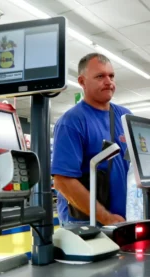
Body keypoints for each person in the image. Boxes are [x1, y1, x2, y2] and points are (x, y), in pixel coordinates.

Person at [52, 53, 131, 228]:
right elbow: (62, 181)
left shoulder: (125, 116)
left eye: (111, 76)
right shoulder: (72, 122)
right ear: (82, 81)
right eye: (100, 76)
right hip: (86, 225)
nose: (108, 81)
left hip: (124, 222)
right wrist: (107, 218)